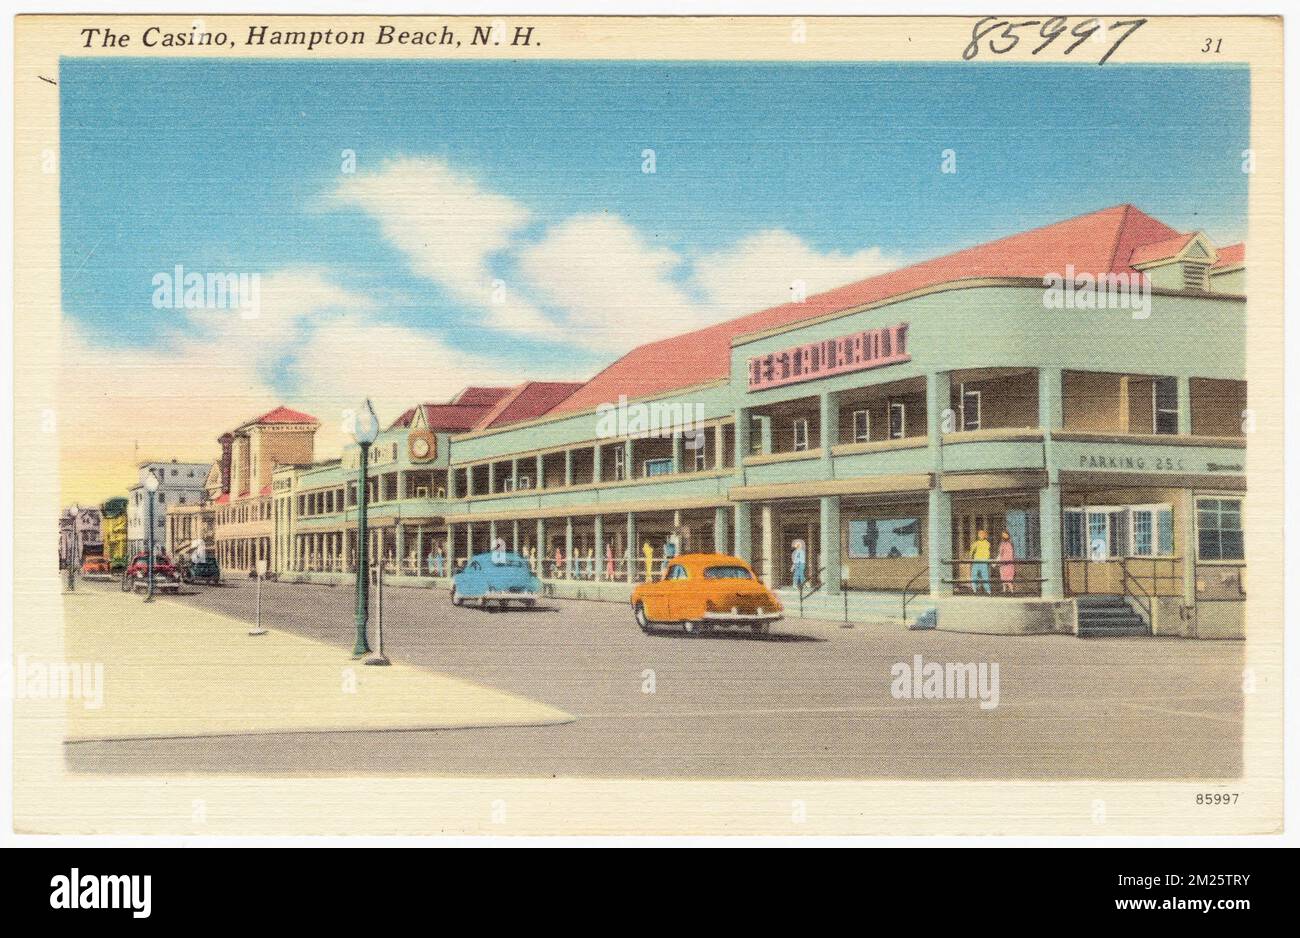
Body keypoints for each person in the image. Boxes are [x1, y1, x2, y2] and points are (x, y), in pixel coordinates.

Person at [969, 529, 992, 595]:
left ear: (984, 535)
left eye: (982, 534)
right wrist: (970, 558)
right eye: (979, 534)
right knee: (974, 574)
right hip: (976, 560)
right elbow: (971, 551)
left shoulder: (987, 543)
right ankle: (974, 589)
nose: (981, 535)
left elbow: (988, 552)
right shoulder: (976, 543)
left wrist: (987, 559)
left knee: (985, 575)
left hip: (984, 561)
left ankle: (988, 590)